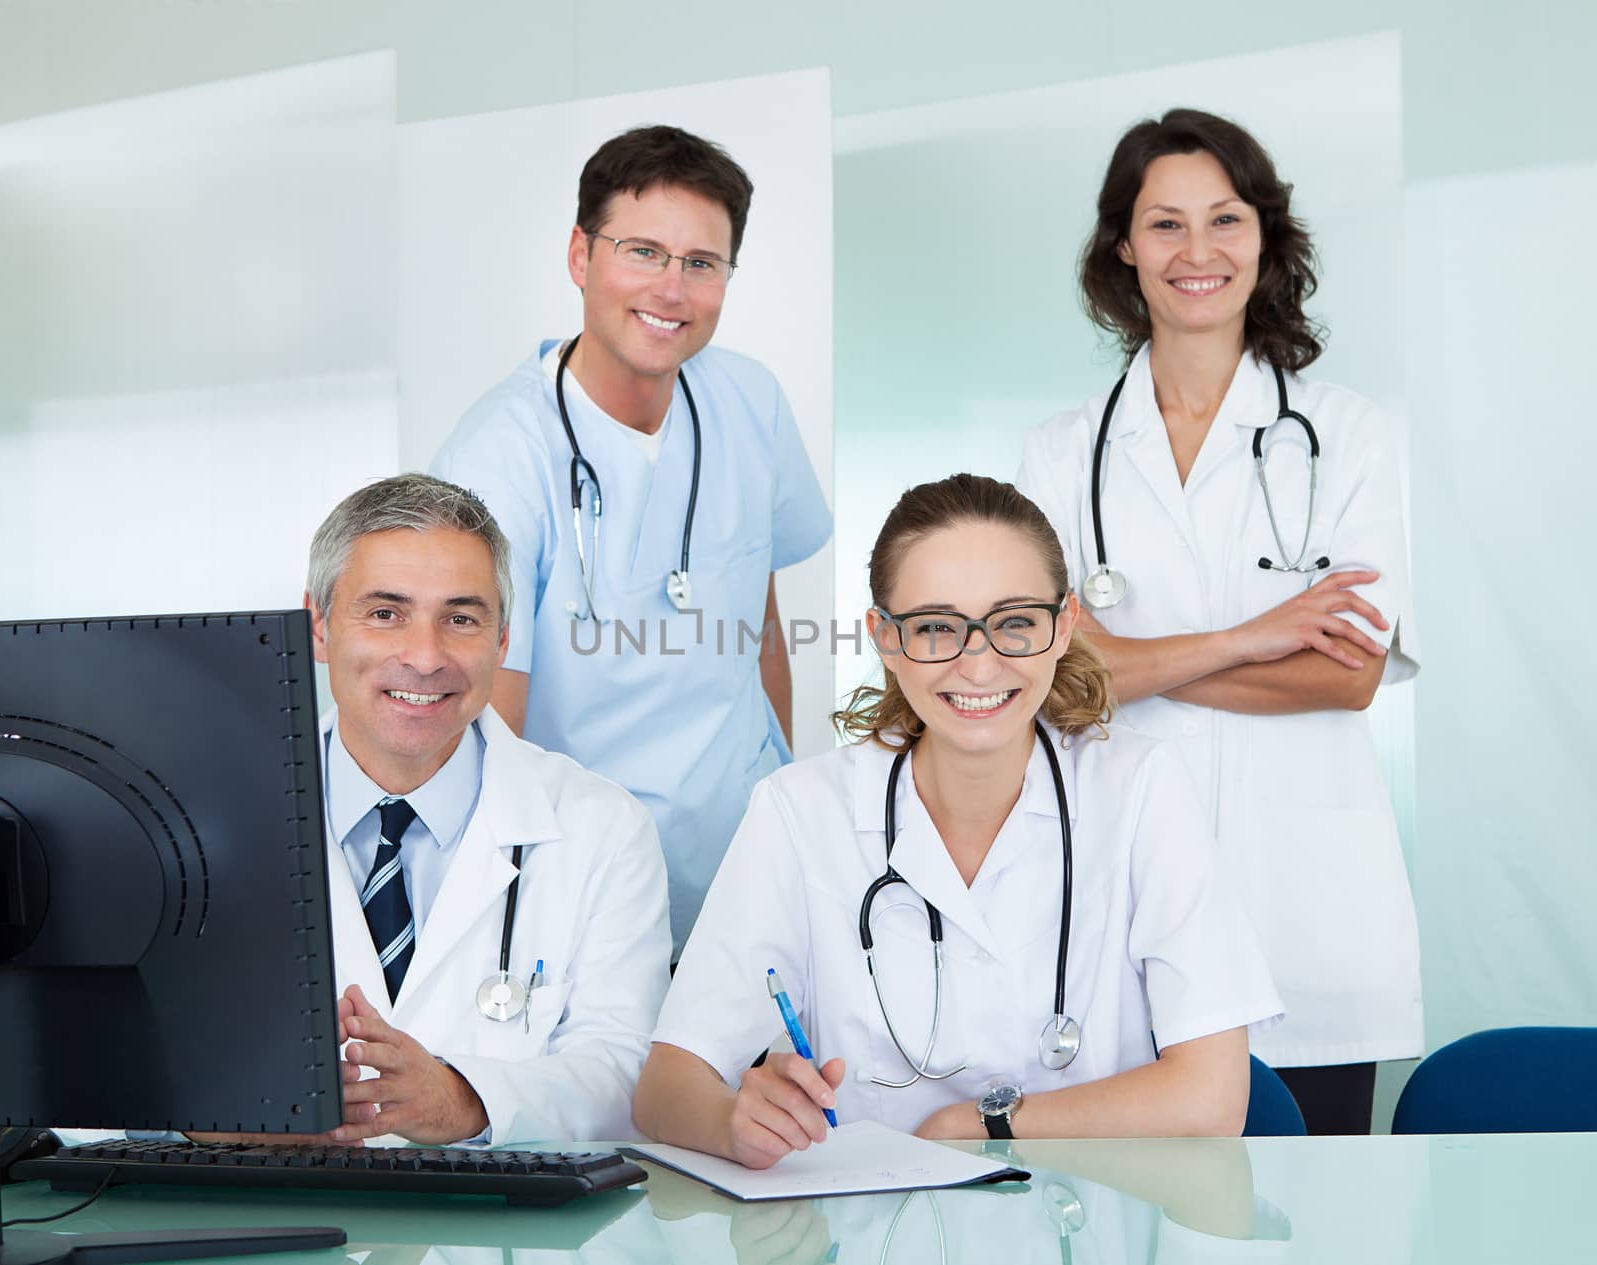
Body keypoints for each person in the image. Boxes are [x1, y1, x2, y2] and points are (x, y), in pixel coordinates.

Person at [633, 474, 1281, 1167]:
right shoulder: (800, 812)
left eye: (1014, 623)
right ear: (884, 637)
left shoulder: (1140, 789)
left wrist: (977, 1125)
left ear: (1063, 627)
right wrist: (733, 1117)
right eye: (937, 627)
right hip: (876, 1232)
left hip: (1093, 1227)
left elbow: (1214, 1096)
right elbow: (665, 1086)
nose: (978, 663)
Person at [1015, 108, 1421, 1135]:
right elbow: (1047, 678)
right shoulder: (1060, 456)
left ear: (1264, 239)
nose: (1197, 252)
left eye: (1225, 219)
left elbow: (1347, 676)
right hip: (1125, 904)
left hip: (1308, 915)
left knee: (1319, 1219)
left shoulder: (1344, 434)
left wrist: (1117, 659)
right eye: (1164, 225)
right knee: (1129, 1224)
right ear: (1122, 247)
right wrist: (1254, 633)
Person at [430, 125, 832, 958]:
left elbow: (759, 627)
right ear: (581, 256)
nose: (672, 288)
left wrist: (779, 816)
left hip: (743, 876)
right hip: (585, 896)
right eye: (643, 250)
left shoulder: (748, 401)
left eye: (701, 262)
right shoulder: (499, 456)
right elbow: (483, 725)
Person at [302, 473, 671, 1145]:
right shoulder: (220, 821)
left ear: (503, 641)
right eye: (385, 613)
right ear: (319, 625)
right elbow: (147, 1060)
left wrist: (464, 1100)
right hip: (271, 1224)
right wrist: (238, 1117)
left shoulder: (604, 829)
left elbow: (628, 1079)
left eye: (461, 618)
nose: (424, 655)